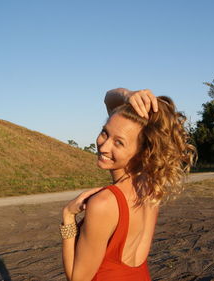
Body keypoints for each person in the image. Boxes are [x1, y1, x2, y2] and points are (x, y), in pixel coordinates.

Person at [60, 88, 196, 281]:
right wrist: (128, 95)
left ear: (142, 152)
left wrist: (68, 217)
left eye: (119, 143)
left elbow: (77, 278)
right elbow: (110, 101)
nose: (104, 146)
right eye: (104, 133)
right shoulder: (150, 186)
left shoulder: (104, 203)